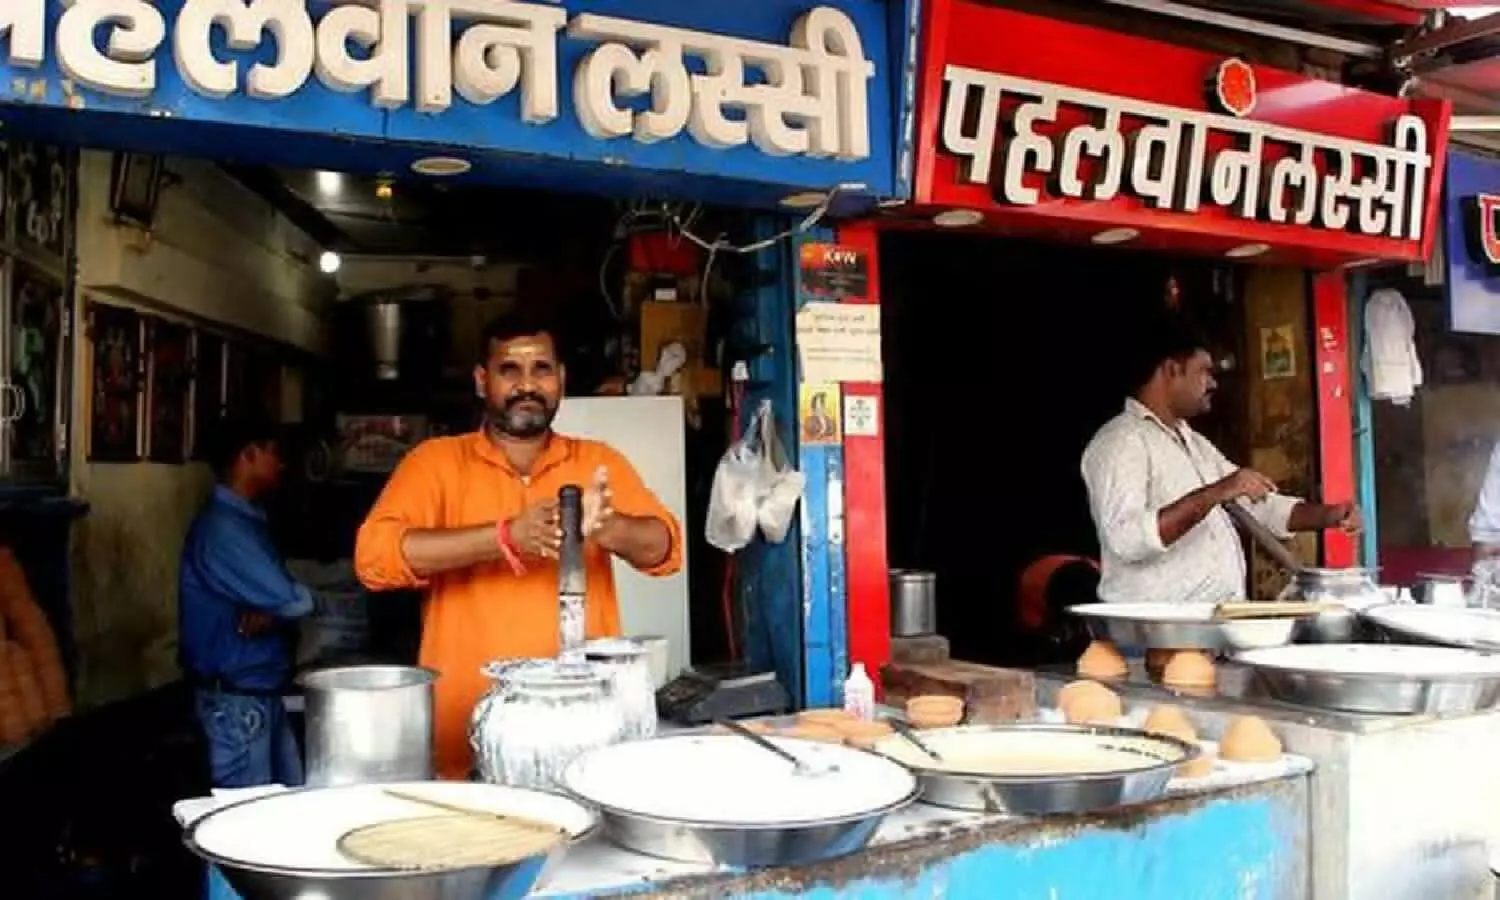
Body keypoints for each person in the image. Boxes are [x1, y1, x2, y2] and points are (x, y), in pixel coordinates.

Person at [355, 312, 683, 779]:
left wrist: (607, 528)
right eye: (510, 370)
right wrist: (504, 536)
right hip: (466, 732)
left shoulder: (597, 461)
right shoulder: (435, 463)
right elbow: (373, 558)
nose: (527, 385)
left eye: (542, 369)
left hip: (588, 731)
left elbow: (665, 547)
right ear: (481, 380)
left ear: (562, 378)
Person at [1081, 316, 1361, 606]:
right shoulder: (1121, 441)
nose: (1213, 383)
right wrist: (1216, 492)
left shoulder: (1194, 443)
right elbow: (1127, 539)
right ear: (1172, 369)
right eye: (1204, 371)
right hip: (1156, 636)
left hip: (1205, 628)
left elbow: (1259, 506)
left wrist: (1330, 515)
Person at [179, 417, 312, 790]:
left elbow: (279, 598)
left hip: (257, 696)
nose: (282, 463)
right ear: (248, 456)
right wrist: (278, 604)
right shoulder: (224, 530)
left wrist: (270, 607)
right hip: (237, 705)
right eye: (274, 453)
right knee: (243, 828)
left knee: (283, 813)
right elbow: (295, 599)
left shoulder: (246, 521)